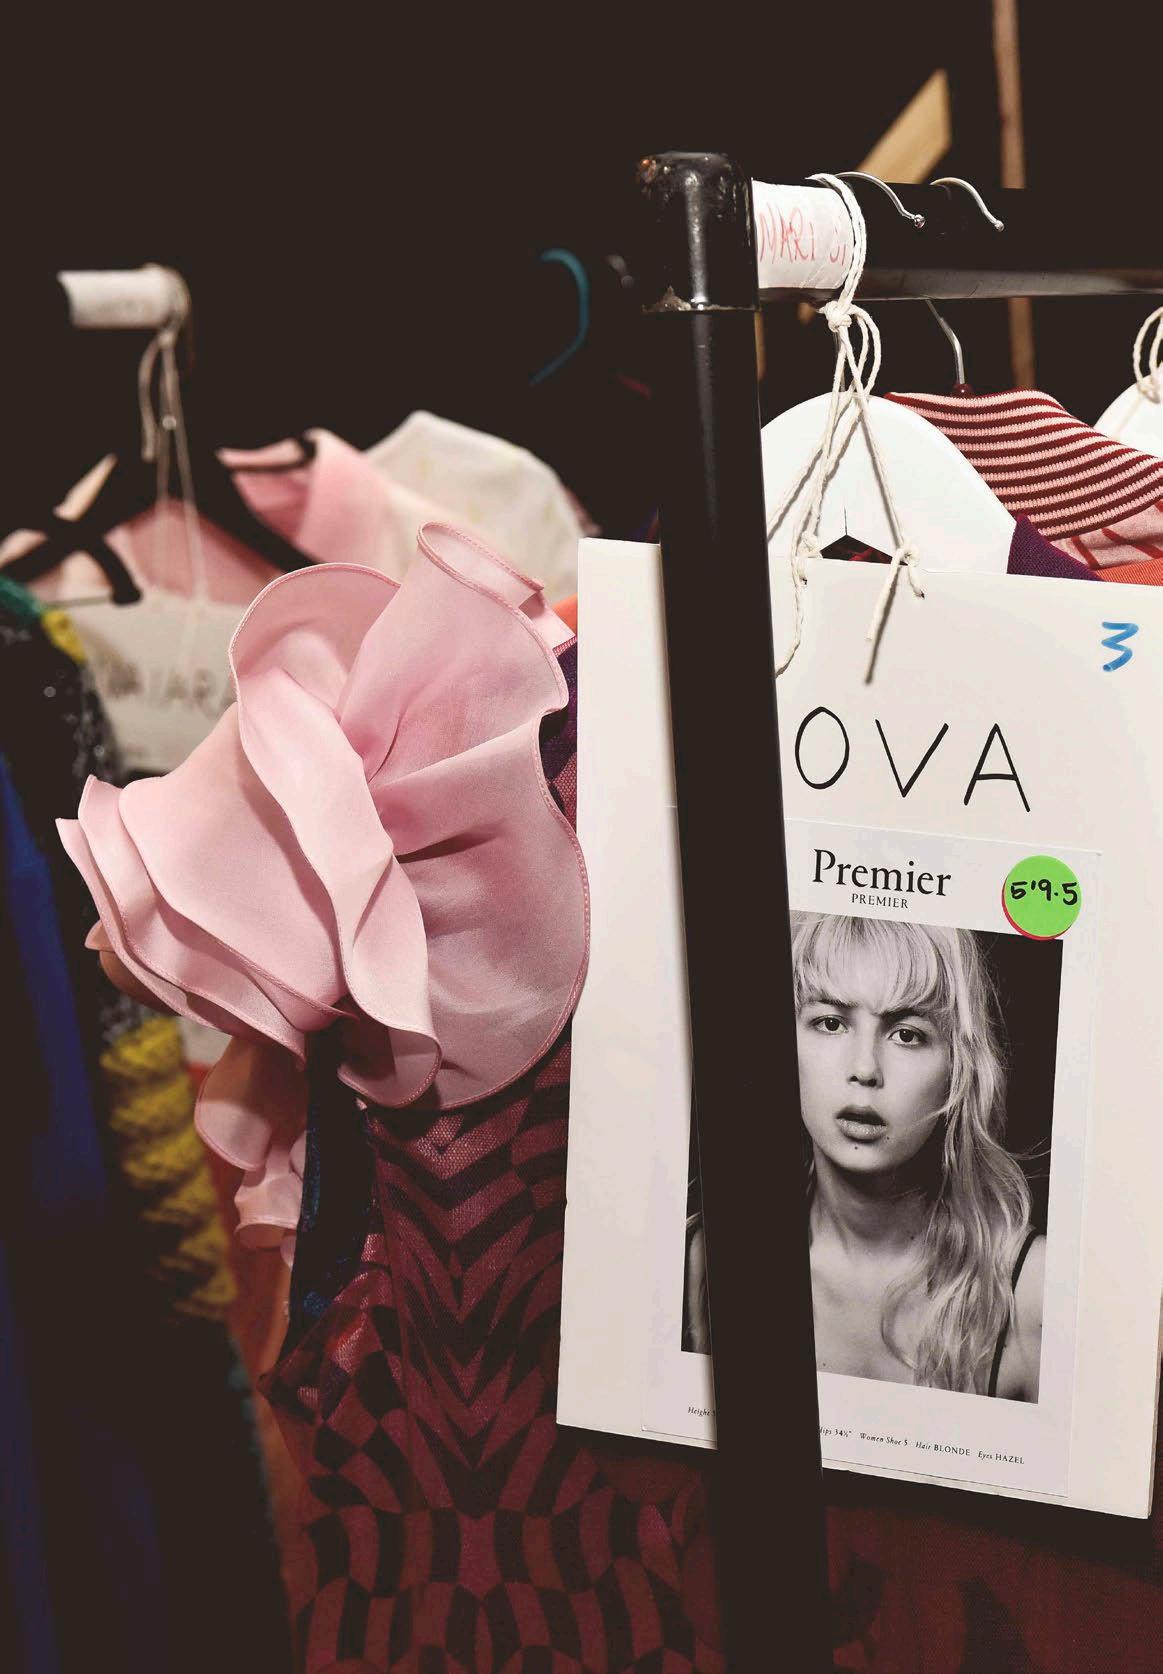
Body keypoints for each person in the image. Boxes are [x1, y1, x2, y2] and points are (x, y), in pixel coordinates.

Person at [794, 912, 1043, 1399]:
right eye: (830, 1023)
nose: (865, 1069)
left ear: (959, 1069)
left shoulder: (1034, 1296)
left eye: (906, 1034)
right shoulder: (701, 1266)